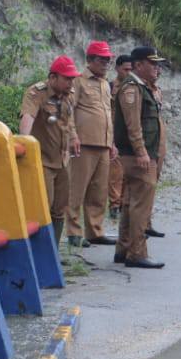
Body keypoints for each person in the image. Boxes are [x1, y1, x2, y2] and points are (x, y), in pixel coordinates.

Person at [113, 46, 168, 269]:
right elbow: (133, 125)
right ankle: (136, 253)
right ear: (138, 65)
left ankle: (123, 249)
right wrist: (142, 152)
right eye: (152, 63)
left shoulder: (142, 87)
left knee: (129, 203)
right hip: (138, 157)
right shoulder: (132, 88)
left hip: (139, 155)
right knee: (140, 206)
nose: (156, 67)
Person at [20, 56, 81, 247]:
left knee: (59, 208)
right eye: (67, 78)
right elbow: (27, 117)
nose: (71, 82)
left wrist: (74, 137)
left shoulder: (68, 94)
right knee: (42, 207)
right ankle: (38, 252)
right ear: (53, 77)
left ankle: (52, 252)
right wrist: (25, 141)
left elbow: (68, 120)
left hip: (63, 160)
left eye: (72, 78)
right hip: (43, 160)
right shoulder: (36, 92)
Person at [66, 41, 118, 249]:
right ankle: (73, 233)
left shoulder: (106, 84)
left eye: (108, 59)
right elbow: (69, 110)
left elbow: (108, 115)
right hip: (84, 143)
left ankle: (95, 231)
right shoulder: (78, 81)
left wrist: (112, 142)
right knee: (77, 189)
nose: (105, 63)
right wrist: (72, 136)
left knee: (99, 191)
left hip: (103, 144)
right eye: (101, 59)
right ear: (90, 60)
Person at [106, 52, 133, 220]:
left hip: (131, 135)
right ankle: (114, 205)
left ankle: (125, 203)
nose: (128, 73)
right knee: (115, 173)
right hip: (114, 134)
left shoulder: (135, 88)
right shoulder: (109, 87)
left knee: (129, 172)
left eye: (131, 69)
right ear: (117, 69)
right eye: (125, 69)